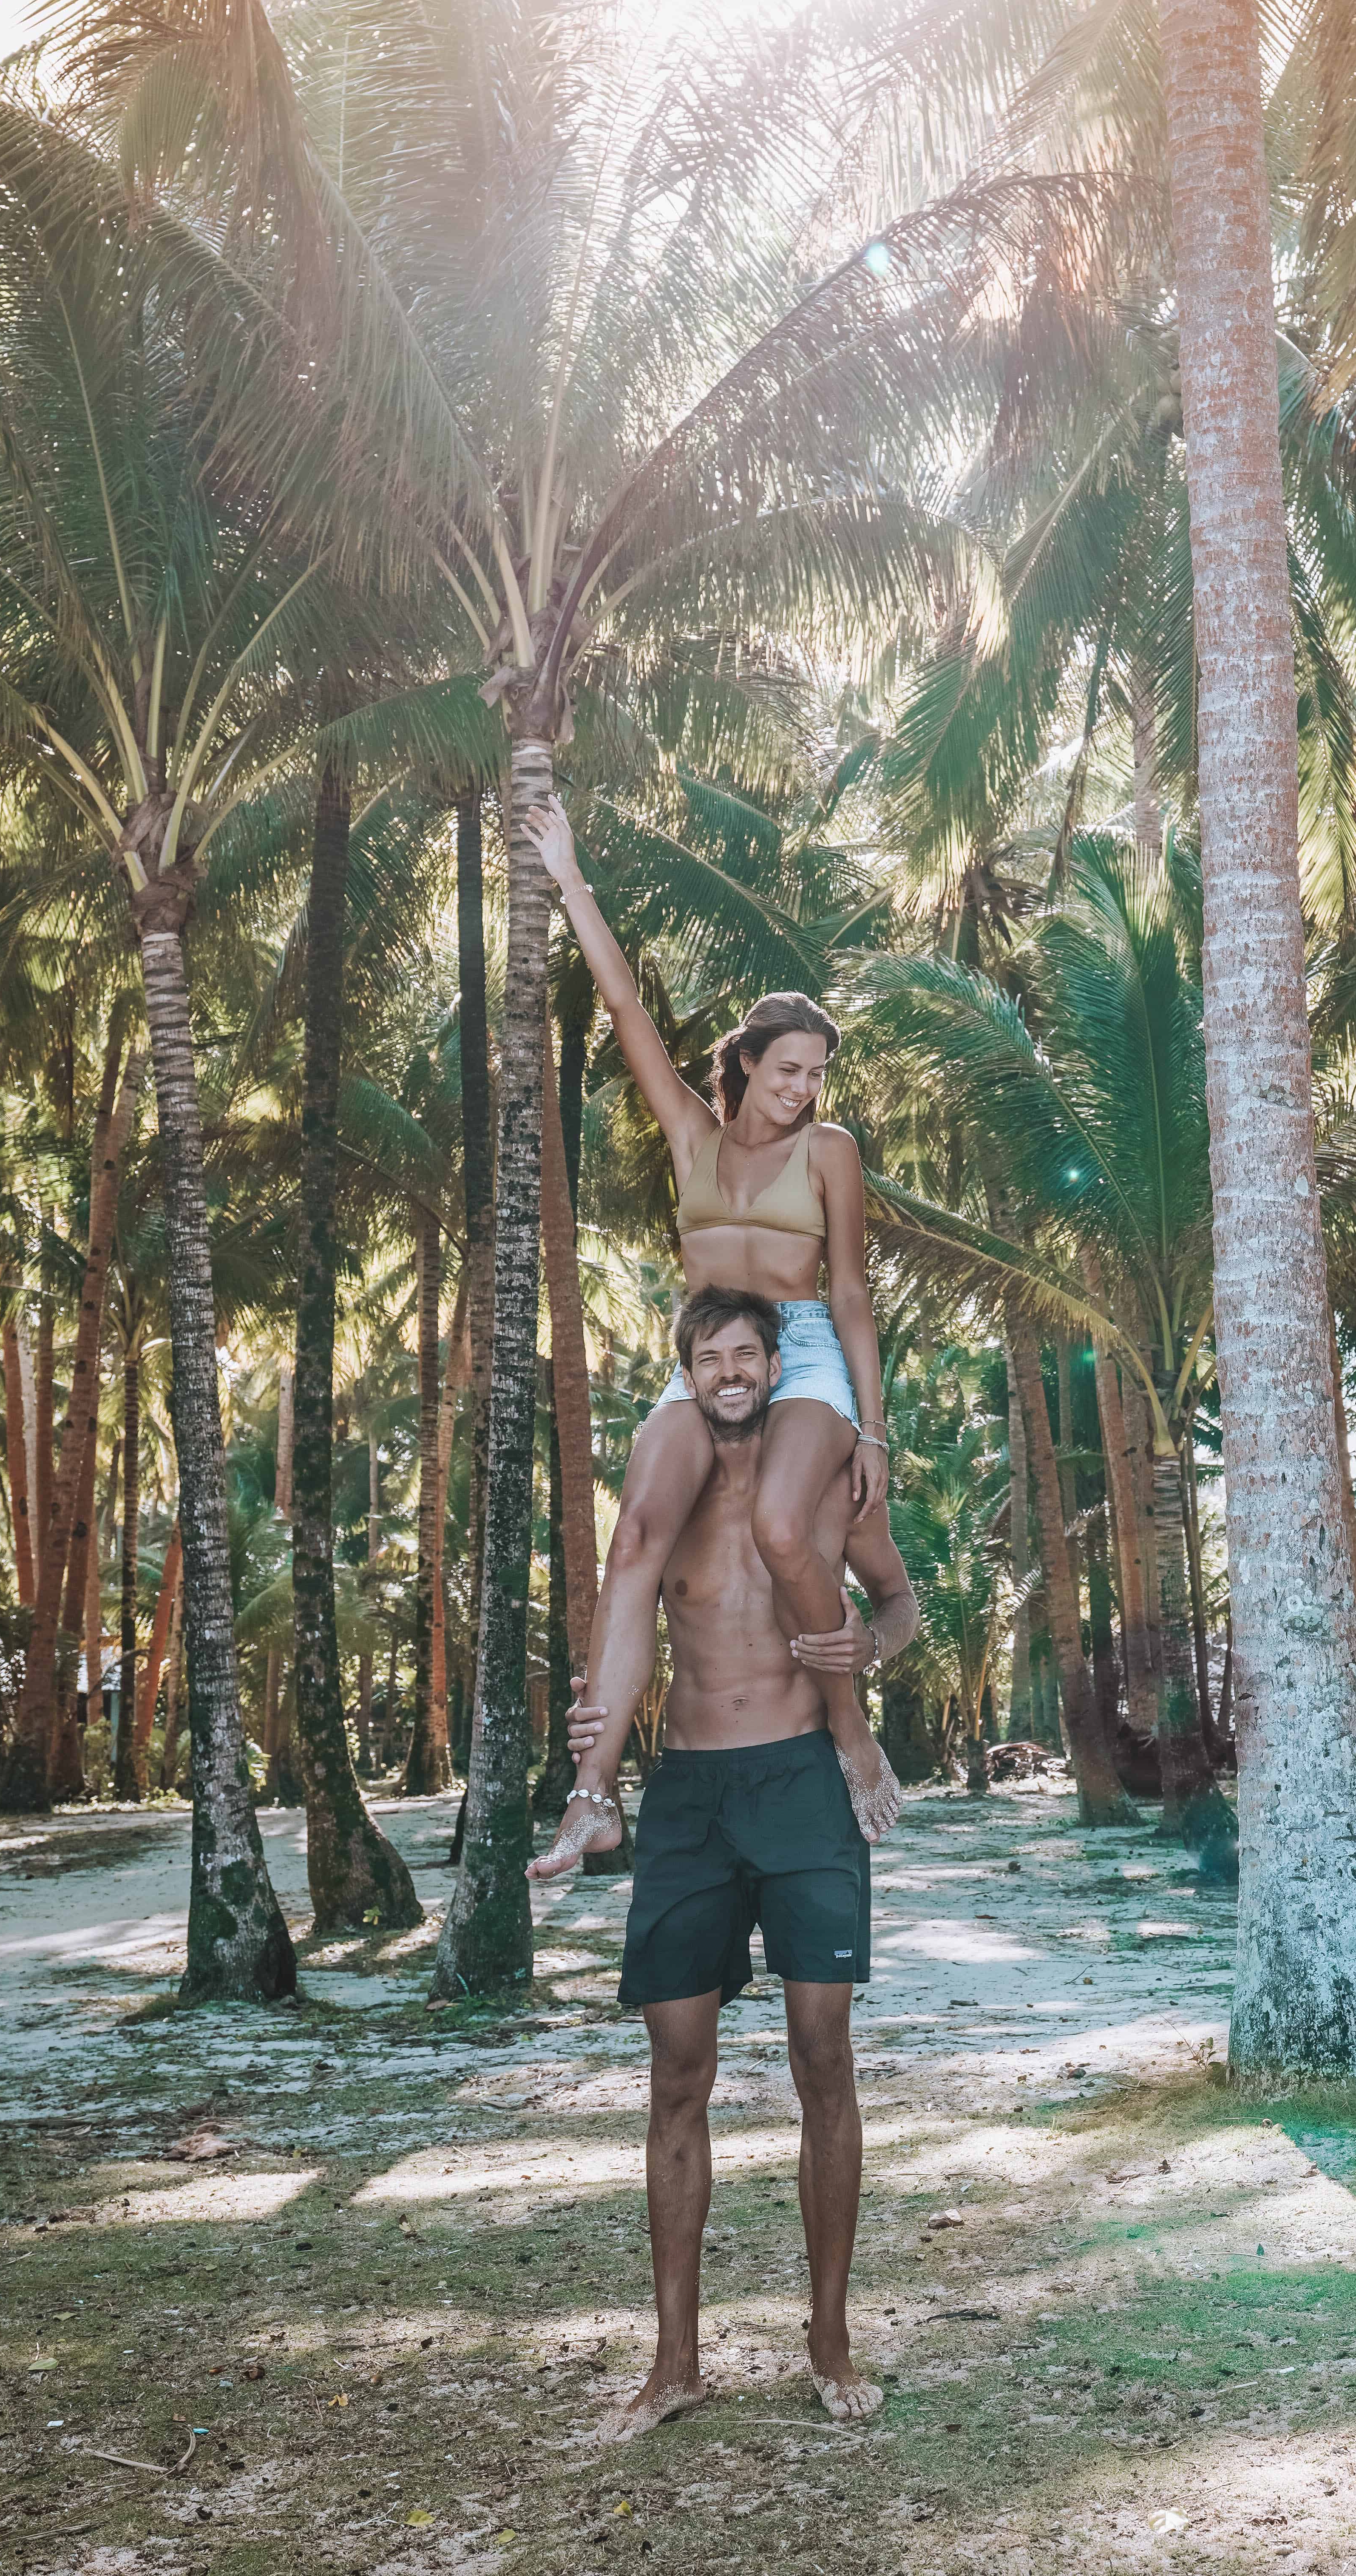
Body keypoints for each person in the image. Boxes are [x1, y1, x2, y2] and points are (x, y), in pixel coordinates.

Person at [522, 795, 909, 1861]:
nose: (804, 1088)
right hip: (703, 1351)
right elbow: (626, 1009)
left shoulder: (829, 1150)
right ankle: (595, 1795)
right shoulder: (692, 1136)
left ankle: (849, 1731)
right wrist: (567, 875)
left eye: (818, 1073)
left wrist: (871, 1433)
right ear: (745, 1064)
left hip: (802, 1348)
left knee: (786, 1528)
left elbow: (851, 1295)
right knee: (637, 1531)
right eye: (789, 1068)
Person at [568, 1286, 913, 2430]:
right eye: (710, 1357)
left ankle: (829, 2339)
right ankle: (676, 2362)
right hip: (692, 1799)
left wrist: (877, 1644)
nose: (731, 1372)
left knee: (824, 2056)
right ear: (687, 1373)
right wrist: (594, 1772)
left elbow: (901, 1603)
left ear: (777, 1365)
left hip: (806, 1789)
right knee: (677, 2078)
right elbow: (622, 1602)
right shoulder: (665, 1495)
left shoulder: (819, 1484)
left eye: (748, 1355)